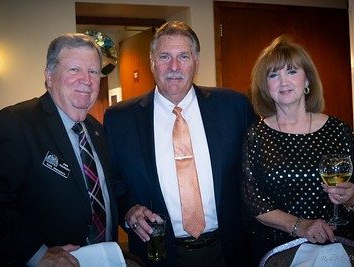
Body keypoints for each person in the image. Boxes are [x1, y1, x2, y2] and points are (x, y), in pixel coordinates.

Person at [104, 21, 257, 267]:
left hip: (230, 250)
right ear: (152, 60)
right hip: (159, 255)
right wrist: (129, 210)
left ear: (196, 60)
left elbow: (259, 170)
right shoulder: (119, 119)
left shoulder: (233, 107)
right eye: (165, 56)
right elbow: (113, 182)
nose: (174, 67)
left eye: (183, 56)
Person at [241, 35, 354, 265]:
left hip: (337, 249)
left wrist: (350, 198)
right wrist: (300, 226)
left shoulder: (339, 130)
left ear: (307, 81)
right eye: (274, 74)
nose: (283, 81)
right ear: (266, 87)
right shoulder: (255, 135)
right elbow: (252, 201)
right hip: (279, 252)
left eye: (292, 71)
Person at [0, 33, 118, 266]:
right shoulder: (16, 122)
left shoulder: (97, 130)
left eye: (94, 72)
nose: (87, 80)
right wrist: (39, 255)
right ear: (49, 76)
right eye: (75, 70)